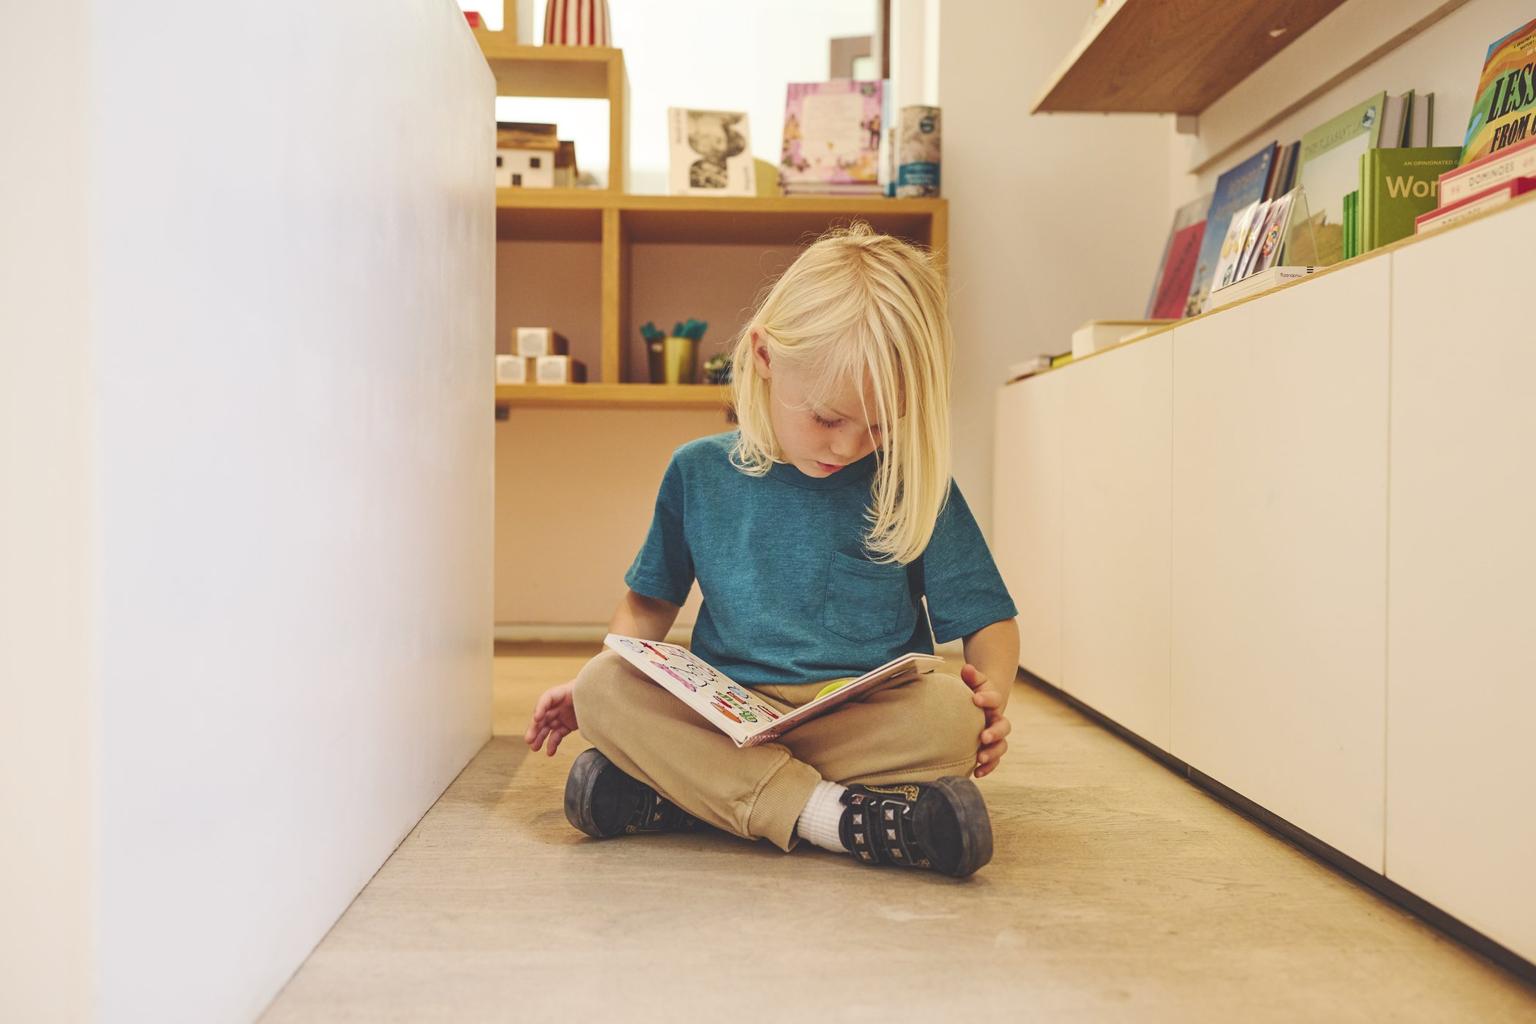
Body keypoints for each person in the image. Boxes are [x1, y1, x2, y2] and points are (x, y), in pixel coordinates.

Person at [523, 223, 1020, 878]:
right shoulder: (696, 472)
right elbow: (646, 605)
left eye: (877, 426)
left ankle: (689, 796)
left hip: (855, 718)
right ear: (763, 356)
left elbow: (989, 621)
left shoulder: (912, 483)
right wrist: (610, 675)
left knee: (949, 717)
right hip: (723, 712)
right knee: (601, 688)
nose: (847, 447)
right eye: (826, 418)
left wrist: (992, 706)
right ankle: (836, 816)